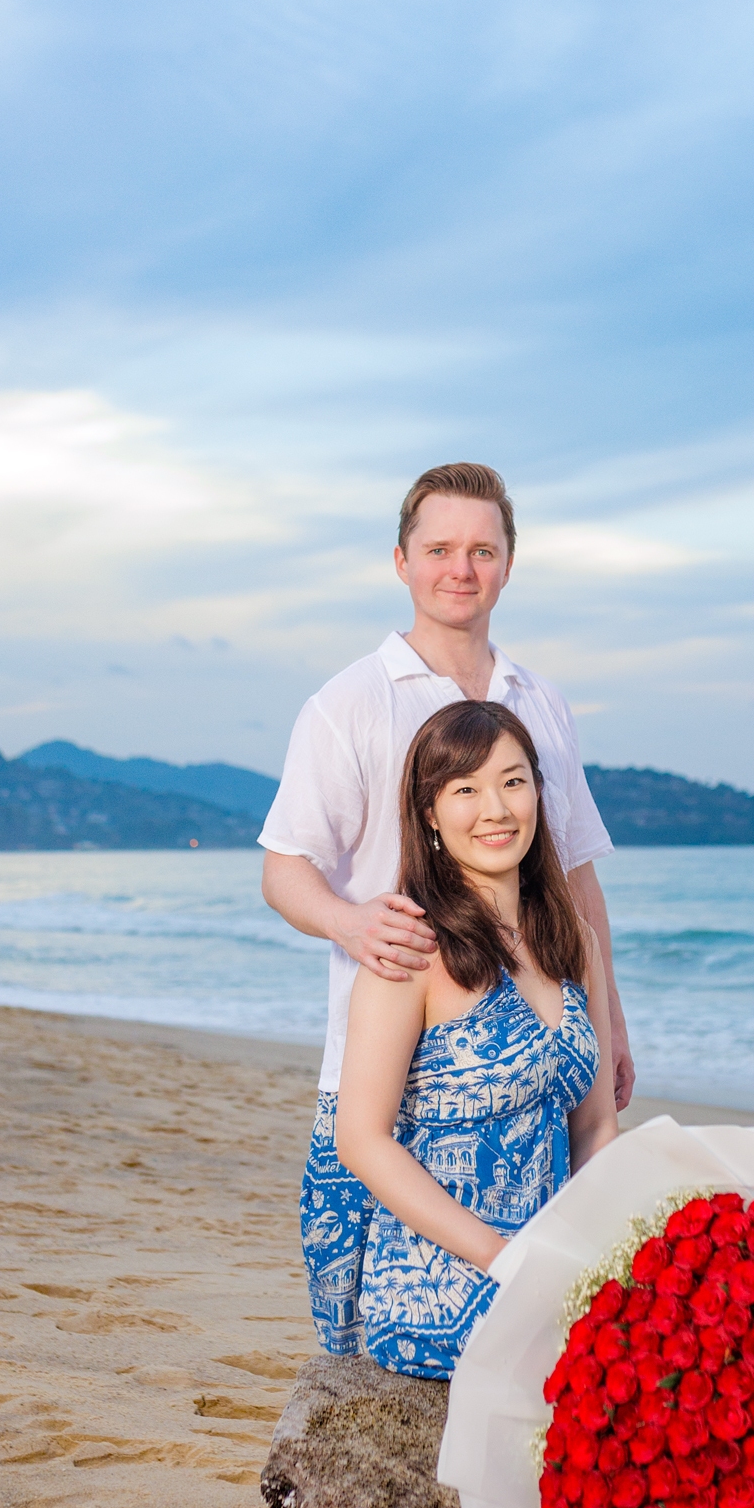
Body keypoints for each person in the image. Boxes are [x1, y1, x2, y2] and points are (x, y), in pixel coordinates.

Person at [259, 459, 634, 1354]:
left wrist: (610, 1022)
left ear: (508, 564)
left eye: (481, 550)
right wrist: (353, 924)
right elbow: (284, 869)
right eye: (438, 549)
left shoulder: (540, 703)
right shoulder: (348, 704)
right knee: (360, 1341)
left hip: (529, 1048)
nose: (459, 569)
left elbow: (577, 877)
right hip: (391, 1049)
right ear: (401, 560)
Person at [332, 701, 617, 1375]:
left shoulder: (572, 940)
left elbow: (597, 1125)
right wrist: (504, 1257)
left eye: (513, 782)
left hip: (549, 1271)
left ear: (540, 796)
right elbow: (361, 1137)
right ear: (429, 813)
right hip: (441, 1282)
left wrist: (592, 1255)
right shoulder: (414, 949)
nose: (496, 808)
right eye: (465, 789)